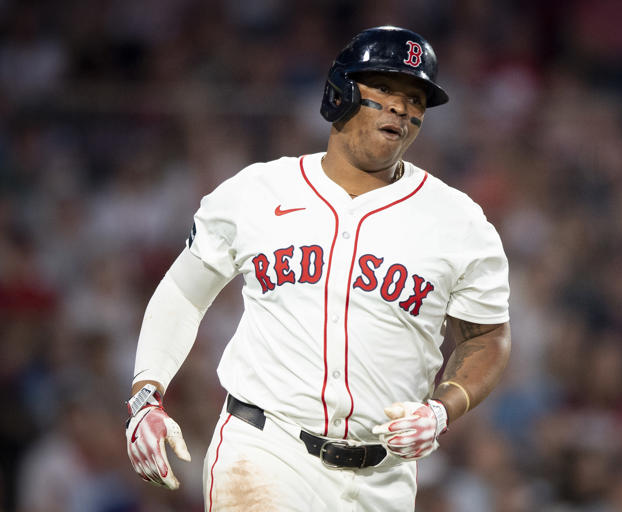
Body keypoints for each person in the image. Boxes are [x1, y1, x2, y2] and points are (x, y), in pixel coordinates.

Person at [125, 25, 511, 512]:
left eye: (416, 97)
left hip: (385, 474)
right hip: (266, 446)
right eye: (386, 87)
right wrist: (146, 395)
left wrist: (443, 408)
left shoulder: (458, 221)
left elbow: (487, 336)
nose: (401, 107)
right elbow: (184, 292)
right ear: (340, 91)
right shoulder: (259, 191)